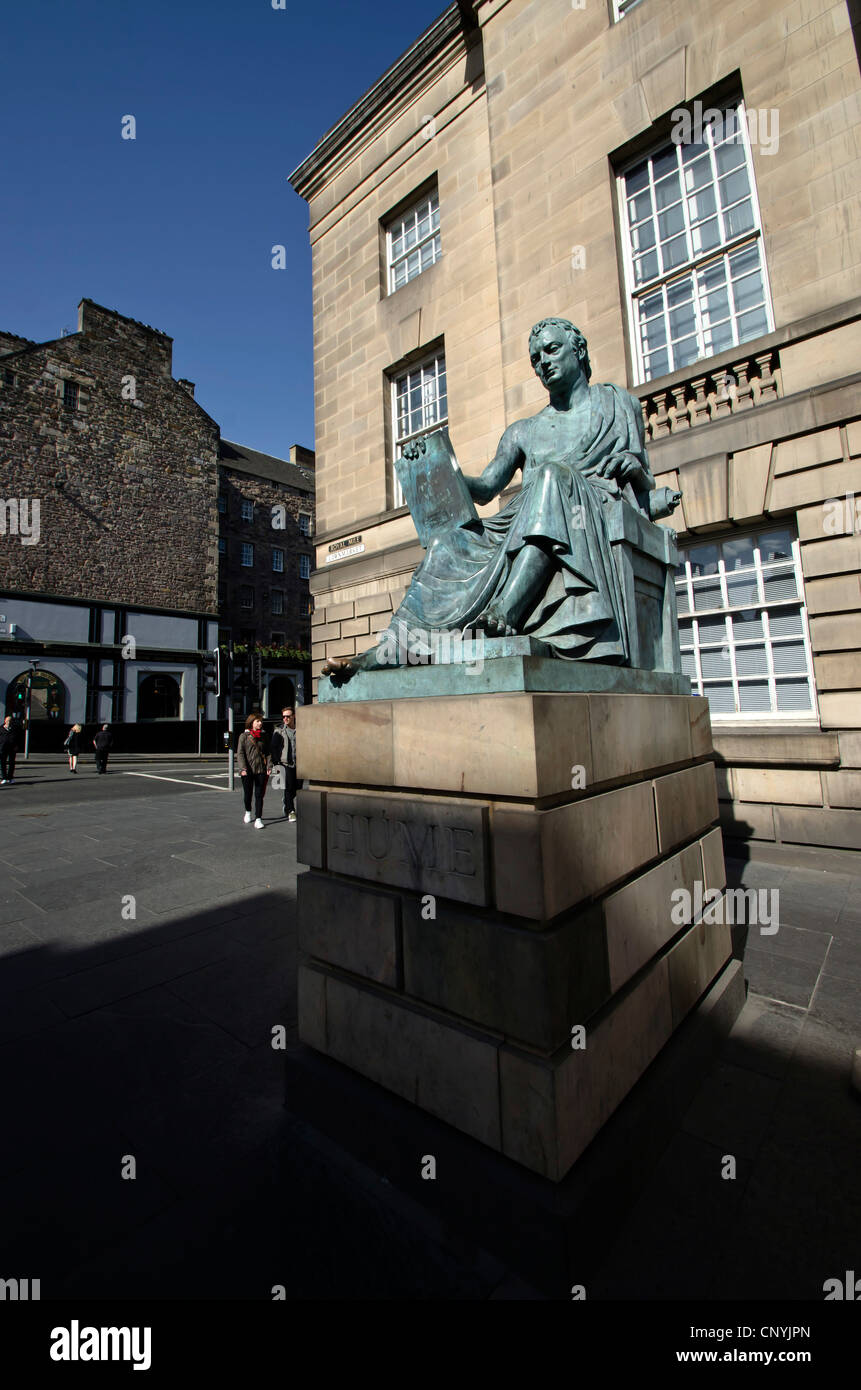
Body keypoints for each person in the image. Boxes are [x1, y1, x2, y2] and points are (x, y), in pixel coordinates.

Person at [323, 317, 658, 684]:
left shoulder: (617, 404)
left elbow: (644, 485)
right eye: (535, 358)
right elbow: (485, 488)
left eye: (551, 349)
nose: (543, 361)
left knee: (551, 476)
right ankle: (391, 649)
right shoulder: (523, 431)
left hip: (583, 514)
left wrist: (636, 469)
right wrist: (433, 466)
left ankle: (507, 611)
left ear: (578, 350)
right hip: (524, 520)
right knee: (448, 544)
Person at [237, 713, 268, 829]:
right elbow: (240, 753)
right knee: (248, 794)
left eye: (260, 721)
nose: (260, 723)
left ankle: (258, 818)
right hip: (247, 771)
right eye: (257, 721)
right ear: (251, 723)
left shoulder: (264, 736)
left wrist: (269, 766)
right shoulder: (243, 736)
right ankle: (248, 811)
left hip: (260, 770)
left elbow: (267, 752)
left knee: (259, 795)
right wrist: (243, 768)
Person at [268, 706, 297, 822]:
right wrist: (277, 763)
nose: (285, 718)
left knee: (297, 787)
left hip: (299, 763)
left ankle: (286, 800)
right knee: (289, 787)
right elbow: (273, 748)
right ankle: (291, 811)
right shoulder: (279, 730)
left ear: (294, 716)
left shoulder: (301, 729)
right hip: (285, 763)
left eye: (288, 716)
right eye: (284, 716)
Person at [0, 715, 17, 785]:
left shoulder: (14, 729)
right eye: (8, 721)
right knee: (2, 763)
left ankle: (10, 778)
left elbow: (18, 738)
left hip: (12, 748)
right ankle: (4, 778)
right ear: (5, 721)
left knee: (11, 763)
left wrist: (16, 746)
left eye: (10, 721)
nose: (9, 722)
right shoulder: (1, 729)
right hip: (3, 748)